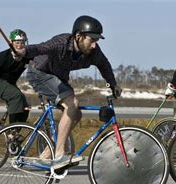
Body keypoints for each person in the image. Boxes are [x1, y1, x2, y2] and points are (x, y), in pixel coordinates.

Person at [13, 15, 122, 170]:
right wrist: (23, 52)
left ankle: (46, 155)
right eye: (91, 40)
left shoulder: (93, 52)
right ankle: (59, 155)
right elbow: (40, 48)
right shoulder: (61, 42)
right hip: (40, 74)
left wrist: (113, 84)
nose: (94, 45)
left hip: (58, 78)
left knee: (76, 114)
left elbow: (104, 65)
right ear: (78, 36)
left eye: (96, 41)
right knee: (72, 103)